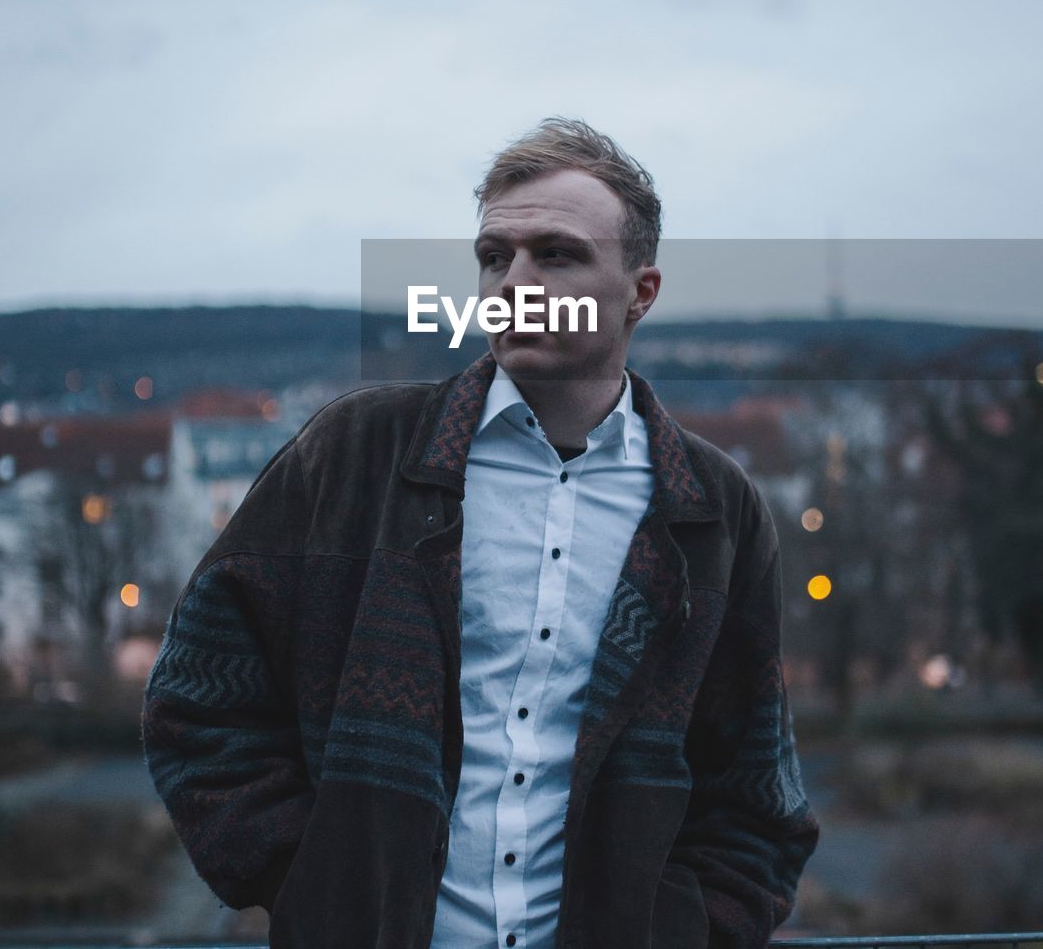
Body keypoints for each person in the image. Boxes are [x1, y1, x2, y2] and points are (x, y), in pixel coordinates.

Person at [141, 116, 819, 949]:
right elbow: (197, 693)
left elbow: (755, 786)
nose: (513, 282)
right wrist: (316, 881)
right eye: (494, 257)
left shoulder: (713, 509)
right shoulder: (356, 455)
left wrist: (685, 928)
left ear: (641, 292)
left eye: (556, 255)